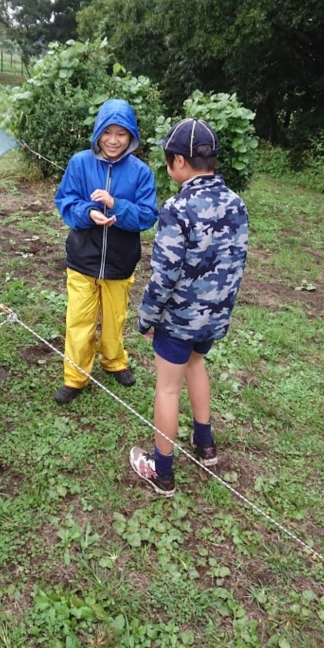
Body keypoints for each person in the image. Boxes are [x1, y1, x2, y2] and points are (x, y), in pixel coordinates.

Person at [129, 118, 248, 496]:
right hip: (214, 319)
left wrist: (146, 318)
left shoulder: (177, 207)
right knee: (196, 363)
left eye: (167, 160)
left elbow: (164, 274)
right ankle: (205, 443)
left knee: (167, 388)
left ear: (179, 161)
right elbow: (236, 262)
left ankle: (161, 471)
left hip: (179, 320)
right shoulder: (236, 202)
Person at [53, 98, 159, 404]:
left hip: (120, 261)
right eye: (107, 132)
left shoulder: (140, 172)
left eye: (121, 134)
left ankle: (114, 361)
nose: (113, 140)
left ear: (131, 137)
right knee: (79, 320)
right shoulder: (80, 163)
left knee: (115, 318)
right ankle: (75, 377)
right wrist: (88, 213)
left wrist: (117, 206)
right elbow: (66, 201)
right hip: (82, 258)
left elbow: (147, 215)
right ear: (98, 132)